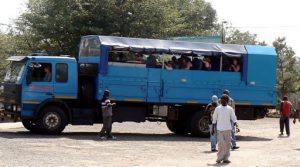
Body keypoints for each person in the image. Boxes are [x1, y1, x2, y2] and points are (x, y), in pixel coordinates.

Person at [212, 94, 237, 164]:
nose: (223, 100)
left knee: (228, 144)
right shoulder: (217, 108)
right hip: (219, 129)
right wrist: (213, 129)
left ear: (227, 101)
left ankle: (226, 158)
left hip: (228, 129)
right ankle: (219, 158)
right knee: (220, 144)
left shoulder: (230, 109)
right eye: (222, 99)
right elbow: (214, 119)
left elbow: (234, 118)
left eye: (225, 99)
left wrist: (235, 125)